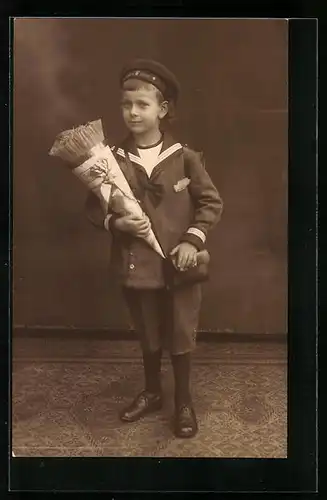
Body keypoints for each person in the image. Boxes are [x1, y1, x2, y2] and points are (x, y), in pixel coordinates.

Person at [85, 58, 223, 438]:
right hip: (138, 265)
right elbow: (94, 209)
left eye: (143, 104)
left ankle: (183, 401)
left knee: (180, 332)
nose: (133, 112)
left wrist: (193, 239)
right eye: (126, 104)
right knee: (148, 332)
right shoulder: (110, 161)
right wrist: (117, 223)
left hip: (181, 265)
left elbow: (211, 203)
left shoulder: (184, 157)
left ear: (162, 110)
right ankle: (151, 392)